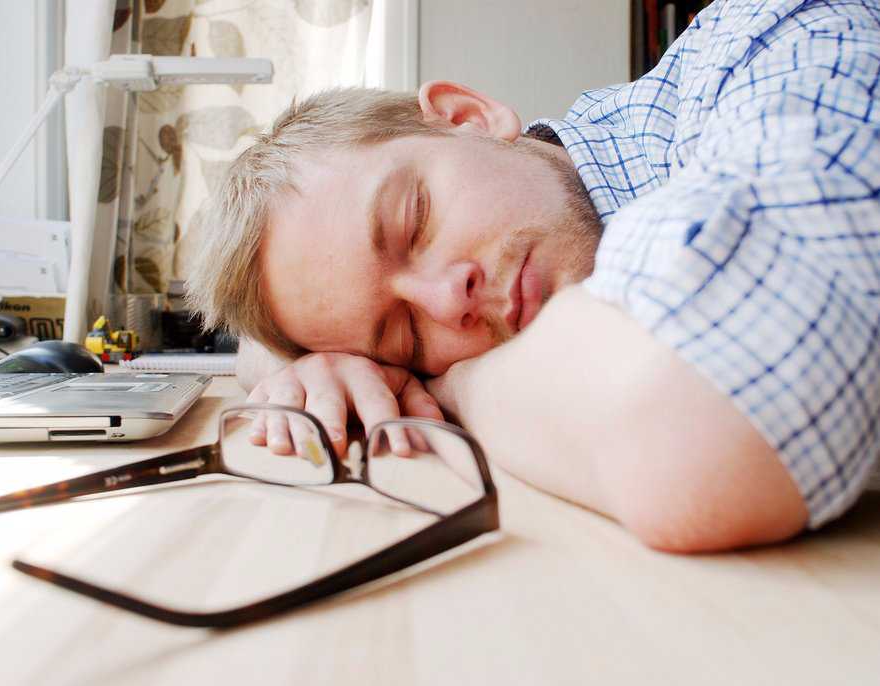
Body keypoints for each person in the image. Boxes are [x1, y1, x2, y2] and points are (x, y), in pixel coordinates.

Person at [187, 0, 880, 552]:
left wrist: (450, 385)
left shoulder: (772, 36)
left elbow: (709, 434)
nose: (444, 300)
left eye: (416, 220)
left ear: (468, 117)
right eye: (402, 338)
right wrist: (302, 364)